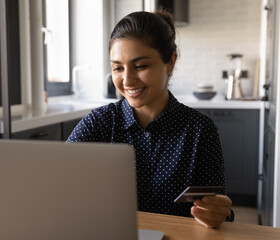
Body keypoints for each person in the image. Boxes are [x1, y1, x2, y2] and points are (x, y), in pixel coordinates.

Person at [67, 10, 234, 228]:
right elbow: (60, 183)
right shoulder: (97, 123)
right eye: (118, 67)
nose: (127, 80)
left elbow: (219, 213)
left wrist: (218, 213)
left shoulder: (200, 130)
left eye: (141, 66)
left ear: (171, 62)